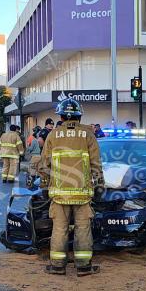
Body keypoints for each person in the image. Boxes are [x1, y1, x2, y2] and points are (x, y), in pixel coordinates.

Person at [39, 98, 104, 277]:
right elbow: (96, 164)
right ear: (79, 116)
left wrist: (44, 185)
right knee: (83, 228)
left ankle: (57, 266)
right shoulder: (89, 134)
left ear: (61, 116)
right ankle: (83, 267)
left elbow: (44, 165)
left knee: (59, 229)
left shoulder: (52, 135)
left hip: (59, 195)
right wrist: (99, 186)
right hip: (83, 193)